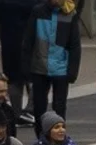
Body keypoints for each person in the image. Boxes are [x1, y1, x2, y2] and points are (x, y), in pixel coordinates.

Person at [23, 0, 80, 128]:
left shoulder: (70, 13)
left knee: (59, 106)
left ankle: (59, 135)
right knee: (39, 106)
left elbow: (74, 44)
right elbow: (29, 39)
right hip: (39, 66)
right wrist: (26, 67)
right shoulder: (38, 11)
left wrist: (72, 71)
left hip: (61, 68)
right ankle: (41, 135)